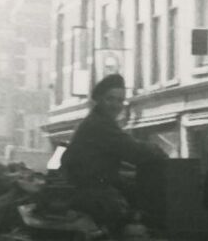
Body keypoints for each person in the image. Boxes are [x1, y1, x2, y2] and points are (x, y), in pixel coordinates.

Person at [60, 74, 167, 231]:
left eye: (120, 100)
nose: (116, 105)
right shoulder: (99, 124)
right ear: (98, 100)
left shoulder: (96, 122)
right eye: (110, 99)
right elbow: (133, 150)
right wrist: (158, 151)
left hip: (88, 189)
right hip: (92, 193)